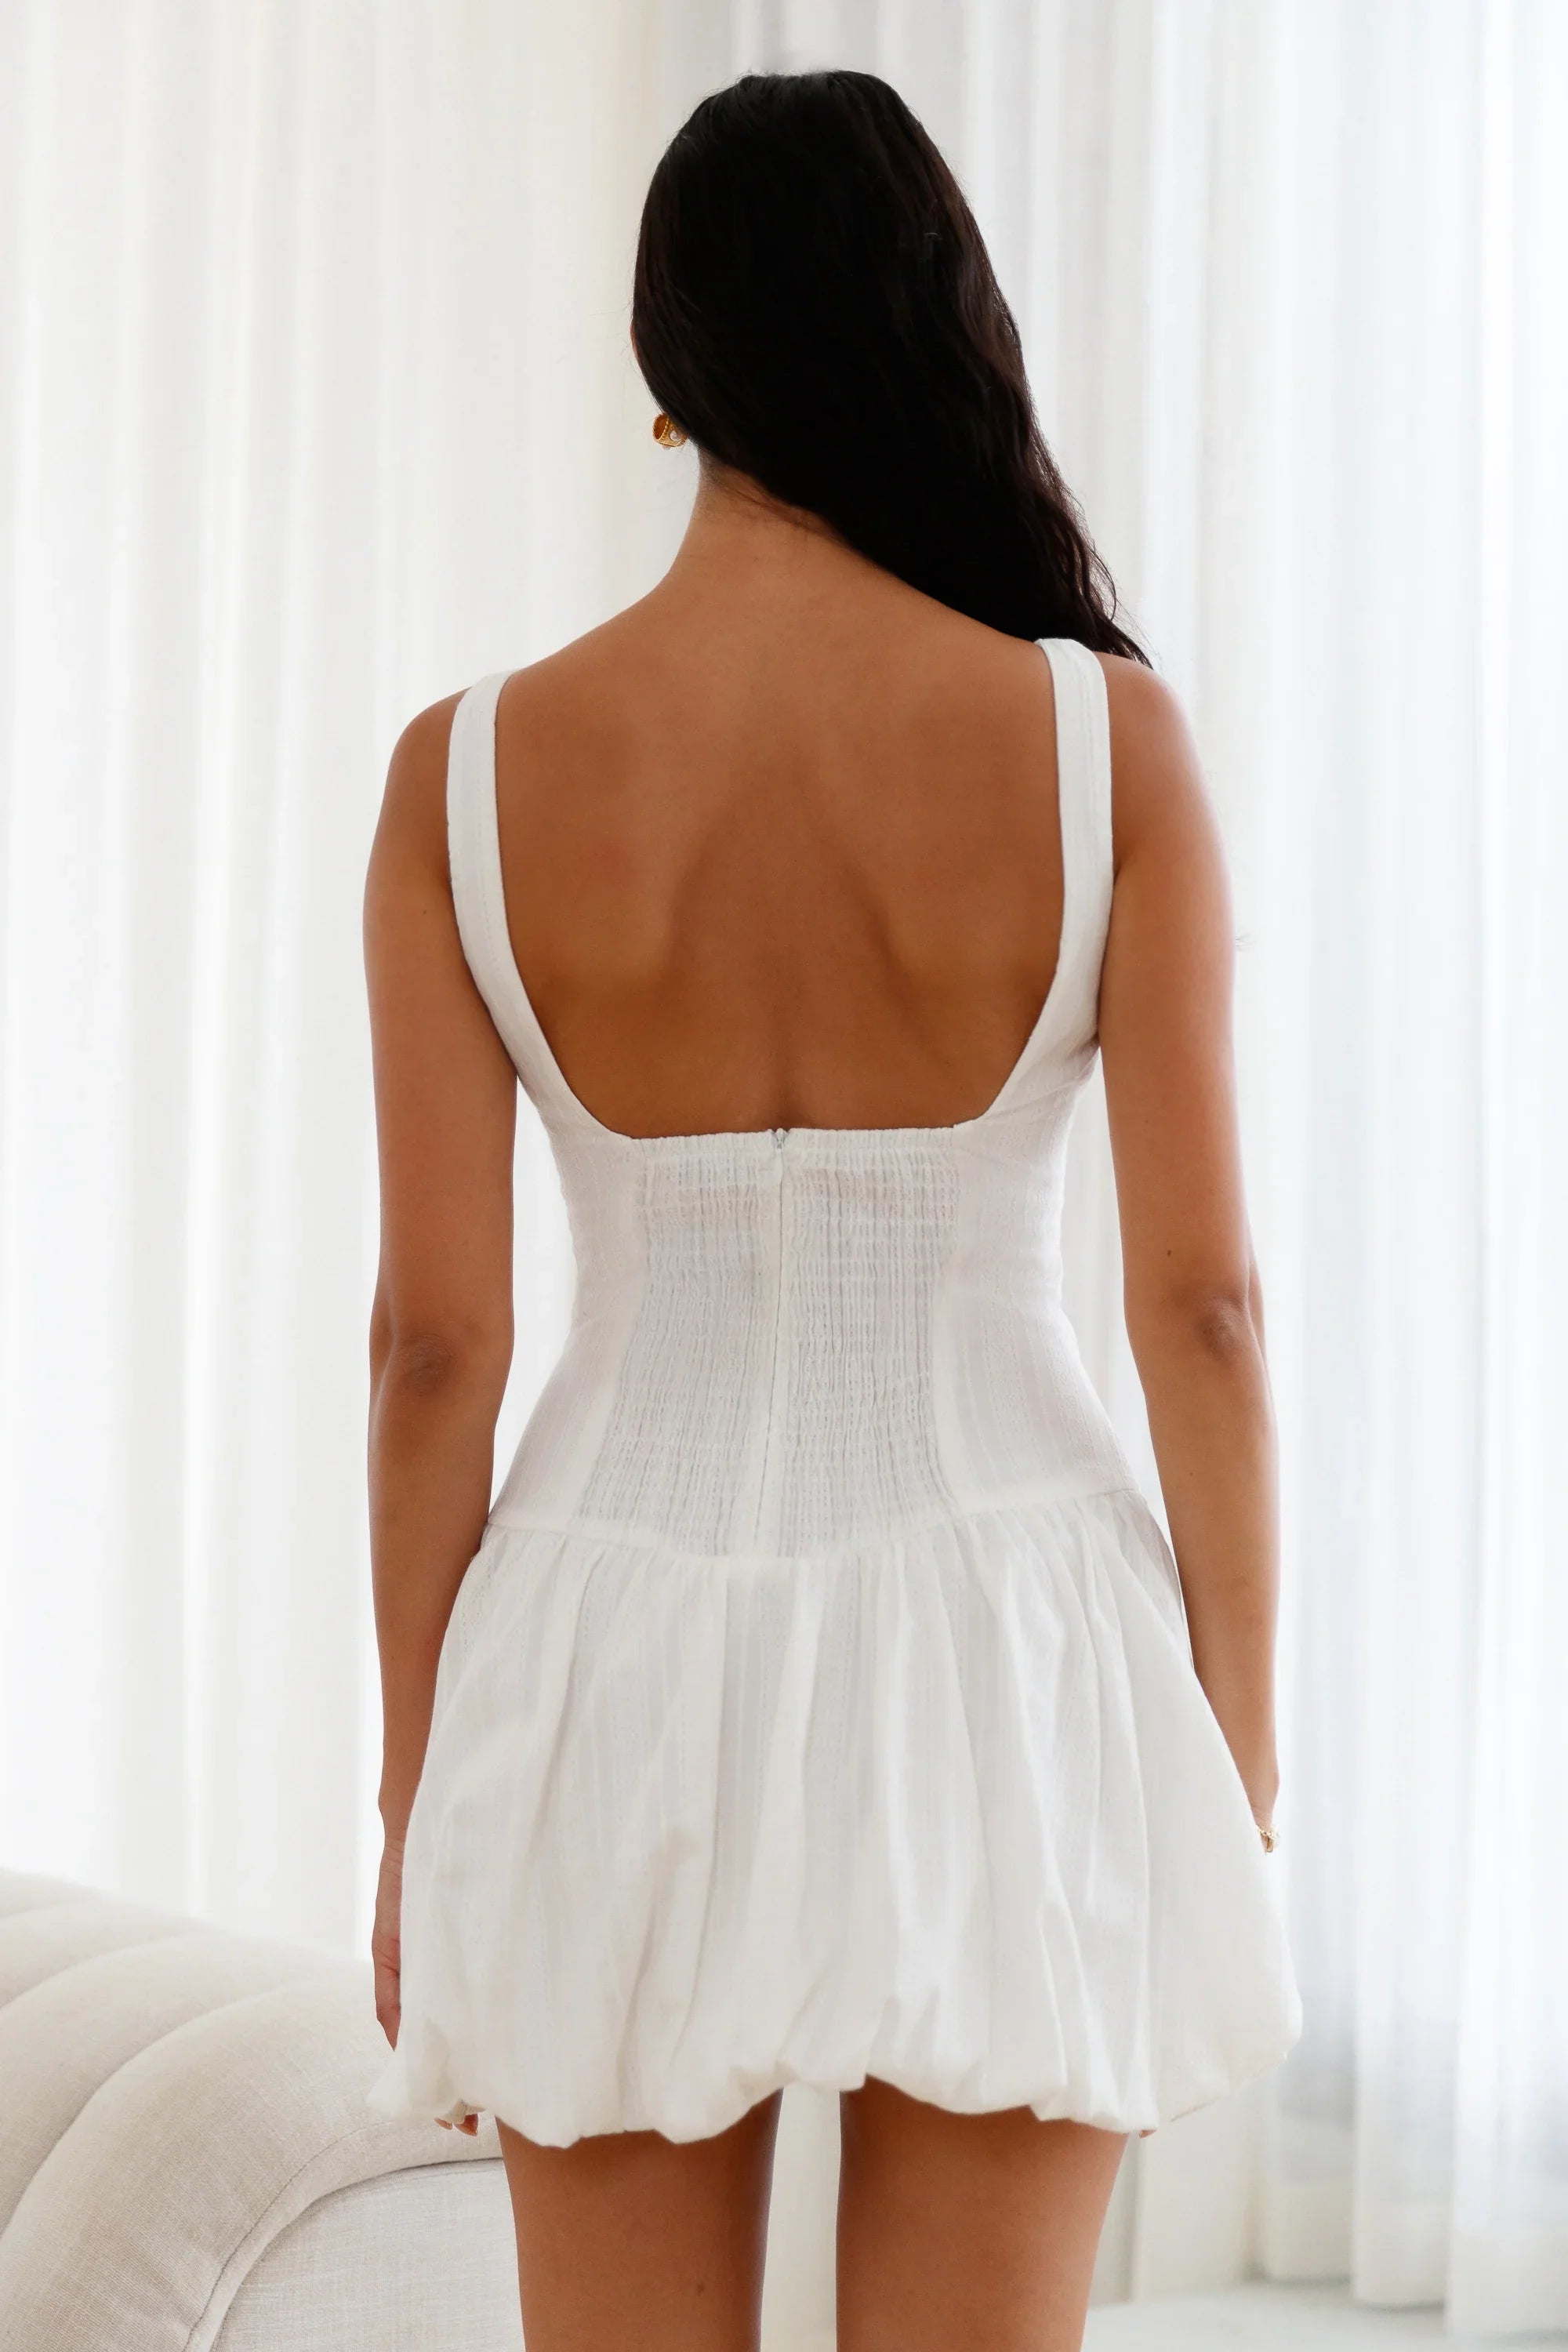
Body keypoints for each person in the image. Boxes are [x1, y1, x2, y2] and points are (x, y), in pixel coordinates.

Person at [360, 66, 1301, 2352]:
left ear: (661, 372)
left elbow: (436, 1348)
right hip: (1011, 1628)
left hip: (602, 1630)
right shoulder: (1102, 746)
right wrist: (1238, 1738)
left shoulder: (462, 777)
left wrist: (415, 1787)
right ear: (933, 325)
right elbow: (1202, 1309)